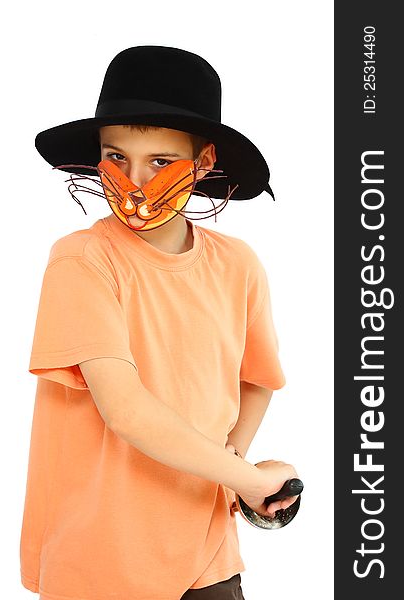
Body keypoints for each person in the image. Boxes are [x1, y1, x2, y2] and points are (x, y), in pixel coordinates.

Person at [19, 46, 300, 600]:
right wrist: (247, 479)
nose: (134, 181)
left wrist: (236, 469)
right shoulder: (83, 260)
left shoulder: (236, 262)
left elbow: (256, 377)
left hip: (206, 549)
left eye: (159, 160)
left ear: (202, 163)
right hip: (102, 556)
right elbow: (125, 408)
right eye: (116, 157)